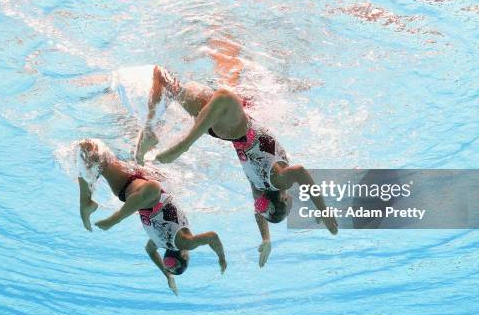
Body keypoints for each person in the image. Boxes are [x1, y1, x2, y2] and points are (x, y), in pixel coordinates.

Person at [135, 61, 338, 268]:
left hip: (236, 126)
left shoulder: (278, 179)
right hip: (221, 129)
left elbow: (300, 172)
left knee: (224, 95)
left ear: (285, 199)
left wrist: (323, 210)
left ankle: (183, 145)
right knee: (165, 80)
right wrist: (266, 239)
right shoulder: (258, 187)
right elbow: (259, 212)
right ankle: (149, 128)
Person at [75, 138, 226, 295]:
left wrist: (221, 258)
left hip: (142, 191)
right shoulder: (156, 244)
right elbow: (150, 252)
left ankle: (114, 218)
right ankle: (85, 201)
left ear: (185, 256)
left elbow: (213, 237)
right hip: (129, 188)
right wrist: (167, 275)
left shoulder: (185, 243)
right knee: (88, 151)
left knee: (153, 187)